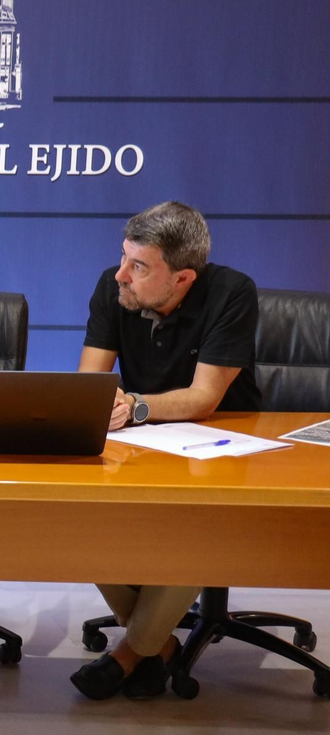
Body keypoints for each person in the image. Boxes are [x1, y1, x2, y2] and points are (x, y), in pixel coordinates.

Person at [70, 201, 260, 700]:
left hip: (223, 452)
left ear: (182, 279)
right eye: (123, 258)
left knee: (195, 525)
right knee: (74, 514)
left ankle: (130, 654)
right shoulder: (113, 290)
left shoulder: (231, 293)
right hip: (141, 451)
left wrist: (132, 406)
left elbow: (203, 398)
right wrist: (101, 403)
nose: (121, 276)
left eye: (139, 267)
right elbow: (88, 384)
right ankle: (156, 650)